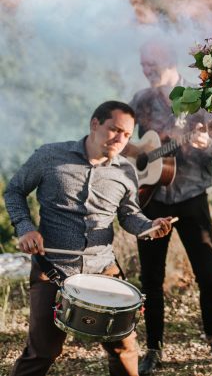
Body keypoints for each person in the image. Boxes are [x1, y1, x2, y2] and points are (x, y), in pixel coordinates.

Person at [4, 101, 173, 376]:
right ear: (95, 124)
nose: (120, 139)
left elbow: (129, 215)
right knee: (42, 352)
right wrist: (25, 227)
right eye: (114, 130)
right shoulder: (49, 156)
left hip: (103, 269)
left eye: (127, 135)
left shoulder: (126, 171)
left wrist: (150, 226)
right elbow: (14, 191)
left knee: (124, 349)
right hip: (53, 269)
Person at [128, 40, 212, 374]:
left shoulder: (201, 97)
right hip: (151, 199)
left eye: (152, 64)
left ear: (170, 61)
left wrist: (205, 142)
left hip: (191, 197)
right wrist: (137, 158)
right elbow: (125, 144)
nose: (147, 70)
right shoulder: (141, 100)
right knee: (151, 280)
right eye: (143, 64)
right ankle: (154, 347)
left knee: (209, 277)